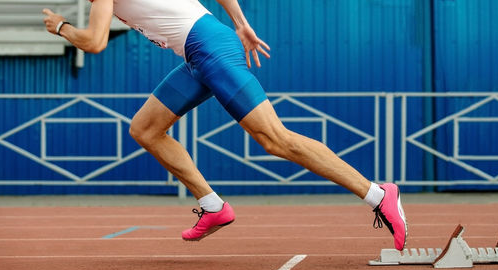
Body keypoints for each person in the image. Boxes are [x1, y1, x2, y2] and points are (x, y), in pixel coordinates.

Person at [43, 0, 407, 250]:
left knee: (275, 139)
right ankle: (213, 205)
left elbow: (94, 42)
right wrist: (241, 24)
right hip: (199, 53)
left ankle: (378, 194)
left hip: (210, 48)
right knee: (145, 129)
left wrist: (60, 26)